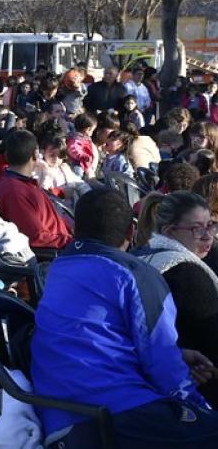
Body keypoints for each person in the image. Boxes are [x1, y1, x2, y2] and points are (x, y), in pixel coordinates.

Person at [31, 189, 218, 447]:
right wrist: (201, 408)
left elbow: (96, 335)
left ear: (75, 229)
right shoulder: (135, 275)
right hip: (110, 418)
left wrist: (179, 354)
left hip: (56, 414)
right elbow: (164, 367)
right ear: (130, 233)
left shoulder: (56, 268)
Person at [133, 191, 218, 403]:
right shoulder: (187, 272)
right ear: (170, 231)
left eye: (210, 225)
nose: (209, 236)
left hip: (154, 373)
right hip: (187, 392)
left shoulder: (140, 253)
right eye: (197, 229)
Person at [0, 129, 72, 250]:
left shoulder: (21, 184)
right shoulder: (15, 191)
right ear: (35, 155)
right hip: (58, 254)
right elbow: (36, 237)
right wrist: (75, 243)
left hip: (64, 240)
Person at [66, 112, 98, 179]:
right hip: (77, 162)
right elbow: (73, 149)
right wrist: (83, 156)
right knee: (78, 173)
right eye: (92, 130)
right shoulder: (75, 139)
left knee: (90, 174)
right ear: (88, 129)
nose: (92, 132)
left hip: (86, 161)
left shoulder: (84, 138)